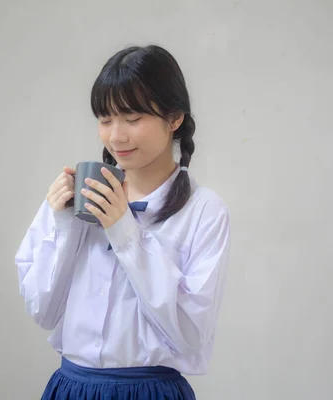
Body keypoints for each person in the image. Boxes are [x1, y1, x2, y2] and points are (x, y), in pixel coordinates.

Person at [15, 44, 231, 400]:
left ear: (174, 118)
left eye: (133, 119)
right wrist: (64, 223)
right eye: (105, 119)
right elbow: (43, 311)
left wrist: (124, 230)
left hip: (150, 391)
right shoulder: (78, 198)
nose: (116, 136)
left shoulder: (204, 210)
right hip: (72, 388)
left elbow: (190, 333)